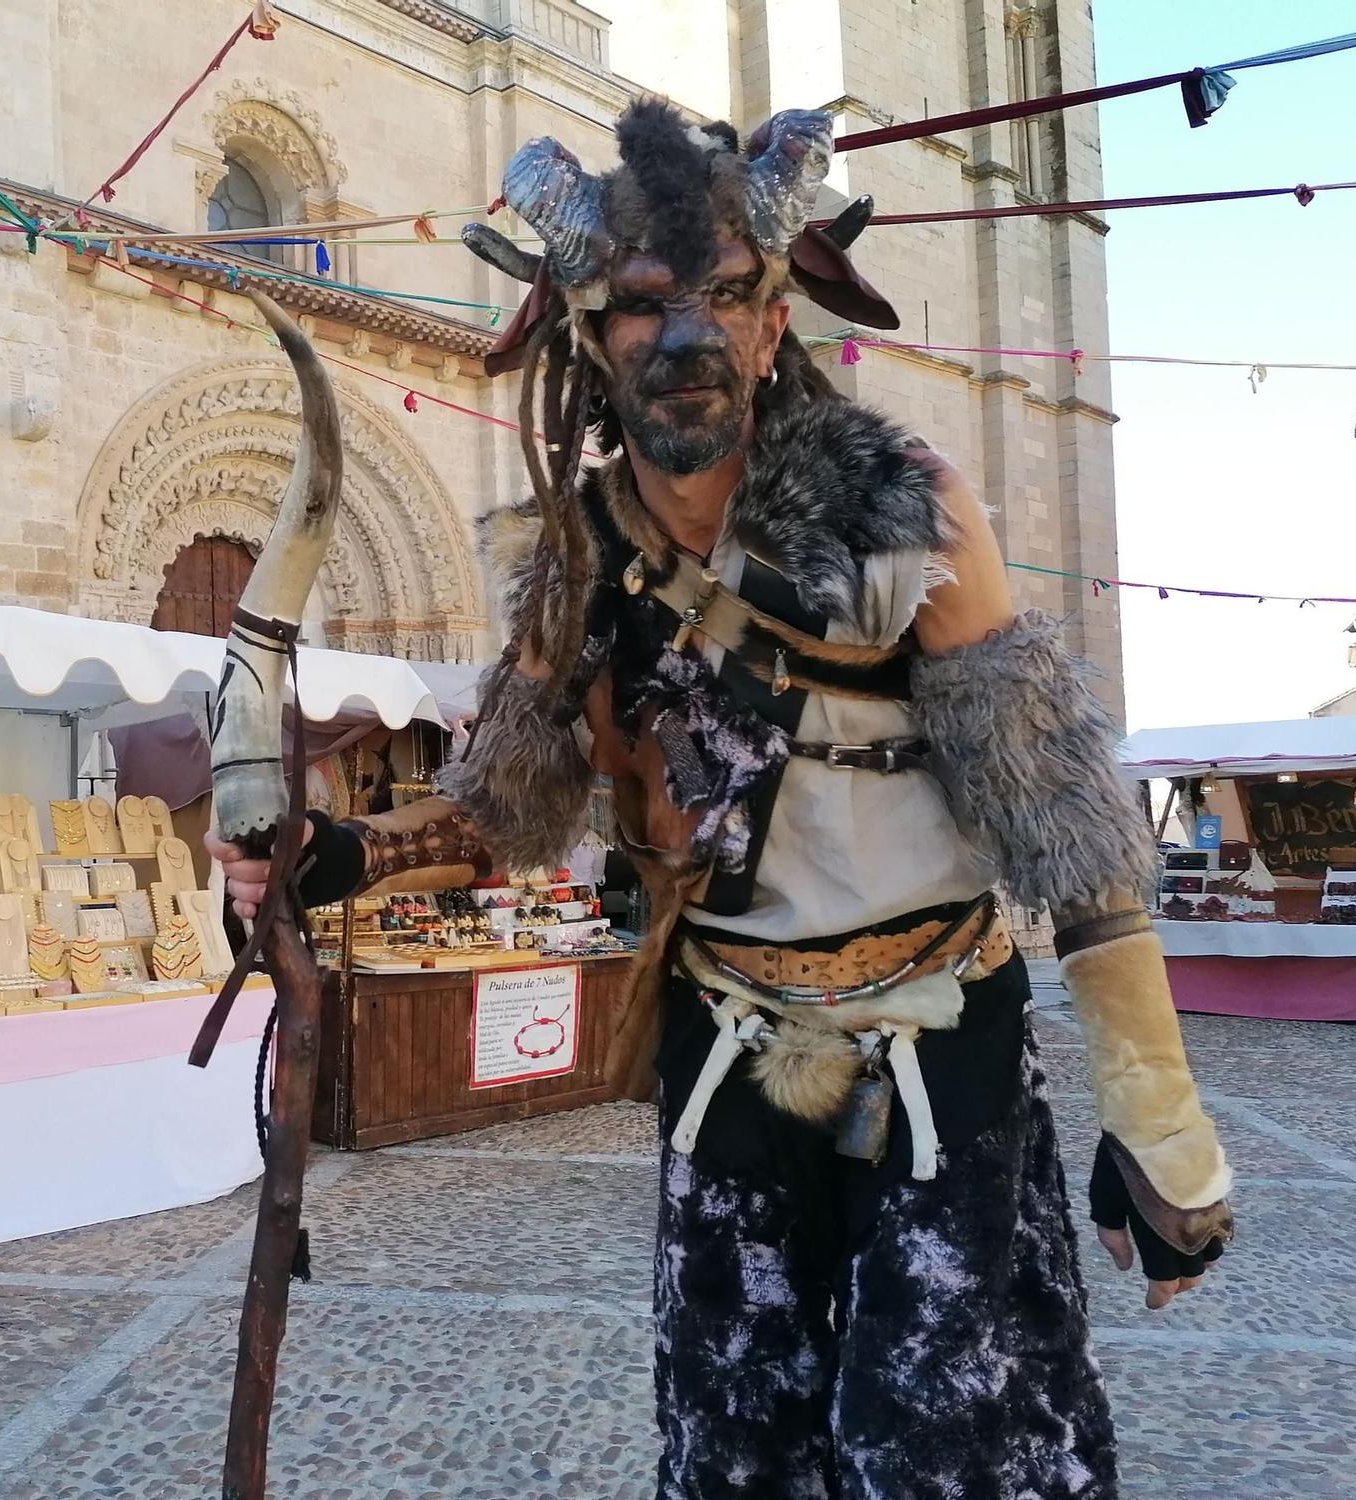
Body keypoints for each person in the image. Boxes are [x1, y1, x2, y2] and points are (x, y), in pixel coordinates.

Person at [212, 100, 1233, 1497]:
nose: (685, 337)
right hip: (726, 1044)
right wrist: (333, 853)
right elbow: (503, 811)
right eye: (642, 309)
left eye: (730, 296)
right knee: (732, 1437)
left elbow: (1066, 825)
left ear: (773, 324)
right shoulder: (577, 569)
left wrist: (1160, 1127)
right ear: (586, 334)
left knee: (930, 1445)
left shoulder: (905, 513)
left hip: (936, 1041)